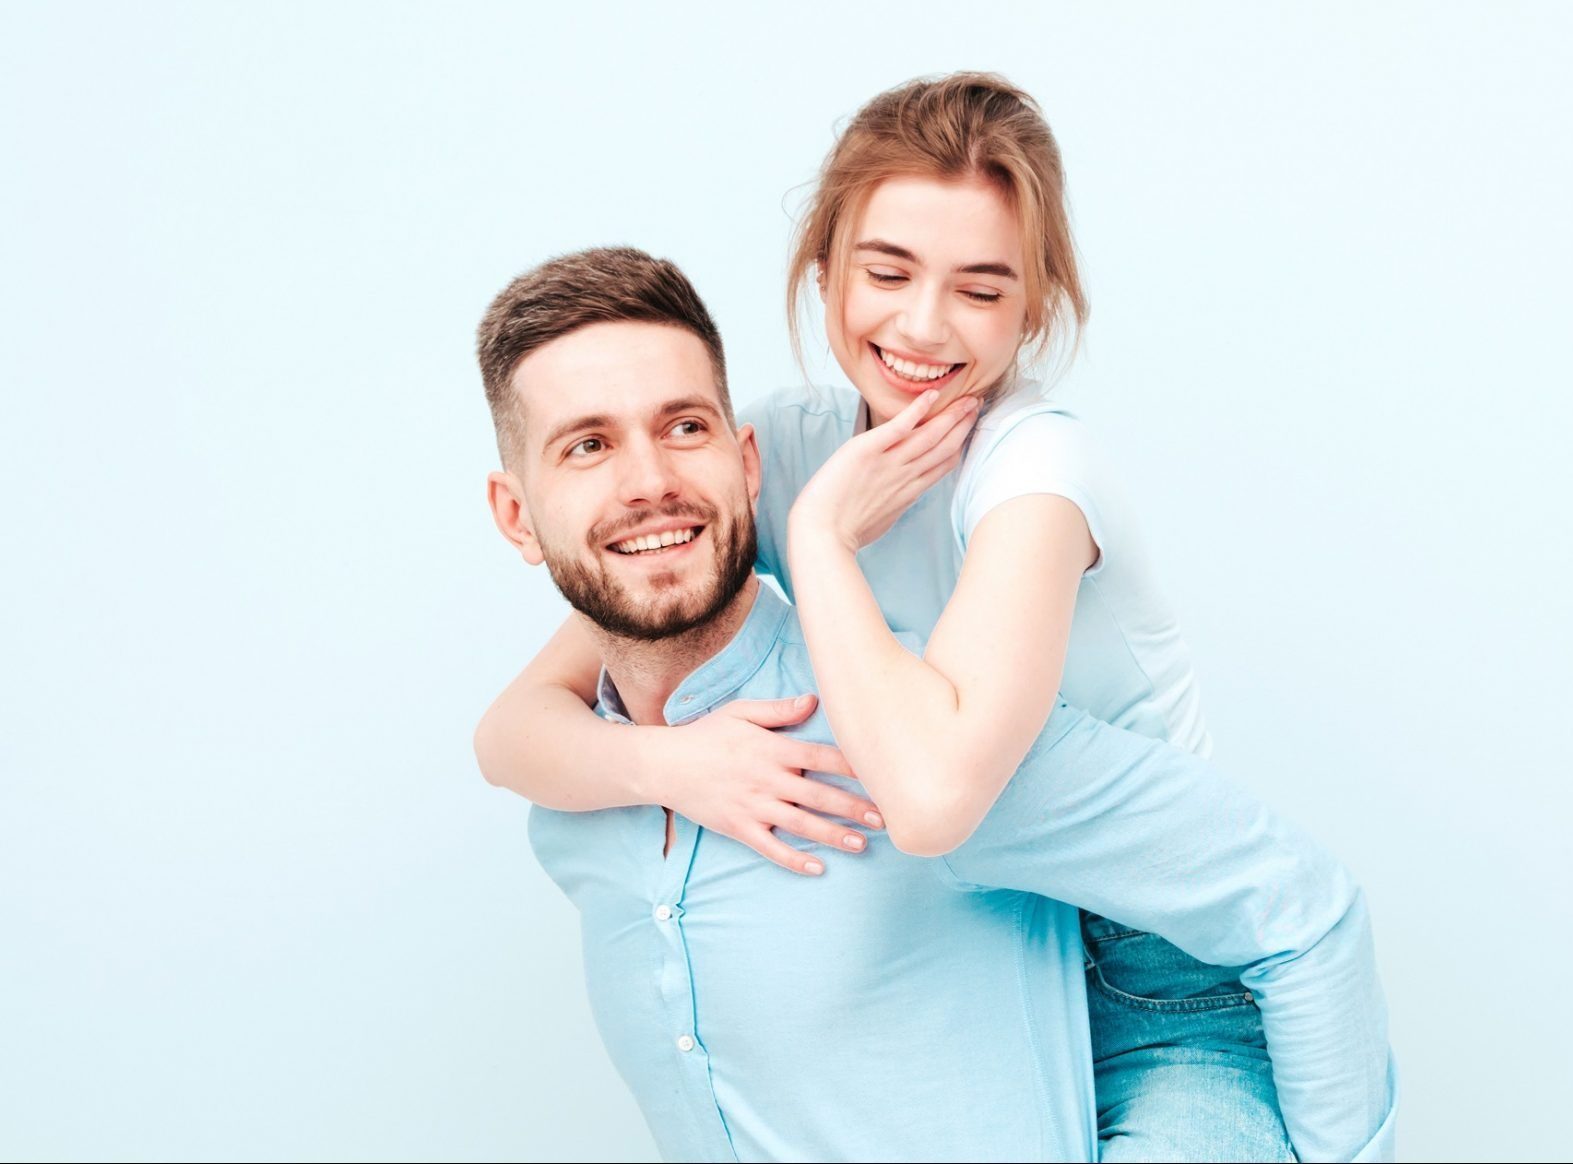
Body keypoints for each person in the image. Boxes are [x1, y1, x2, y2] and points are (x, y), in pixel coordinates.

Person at [476, 74, 1383, 1159]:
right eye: (886, 272)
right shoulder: (779, 447)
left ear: (1033, 306)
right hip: (996, 932)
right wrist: (671, 767)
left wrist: (816, 541)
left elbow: (933, 801)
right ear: (821, 274)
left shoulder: (1031, 478)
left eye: (981, 289)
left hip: (1155, 968)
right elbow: (529, 714)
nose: (921, 325)